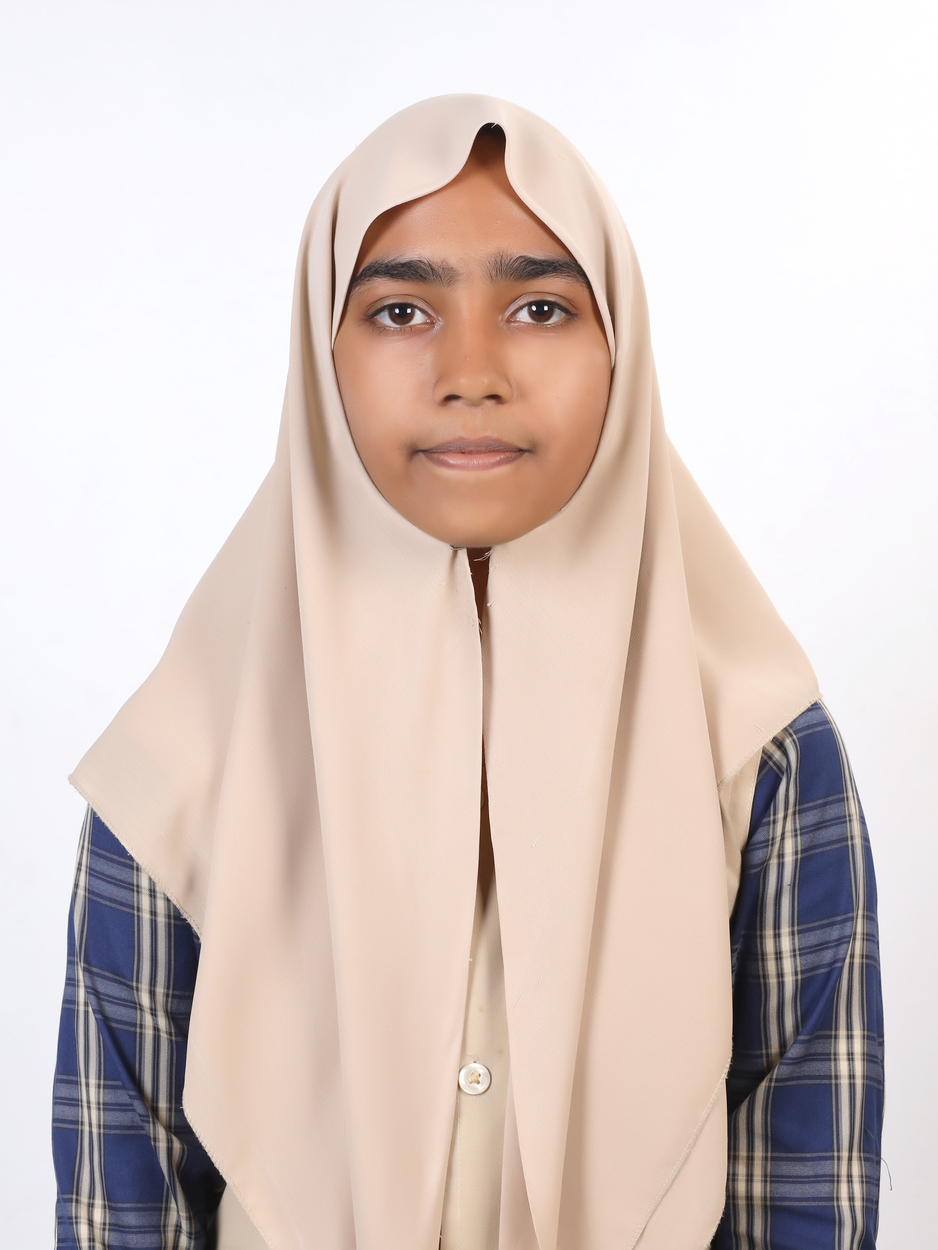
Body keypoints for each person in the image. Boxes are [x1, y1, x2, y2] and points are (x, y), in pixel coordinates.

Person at [52, 96, 883, 1250]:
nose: (471, 371)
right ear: (320, 353)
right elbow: (120, 1207)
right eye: (400, 309)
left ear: (620, 347)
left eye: (539, 306)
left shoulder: (757, 746)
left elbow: (805, 1196)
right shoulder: (183, 761)